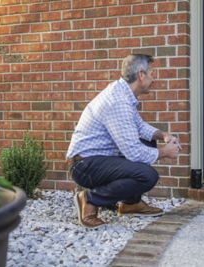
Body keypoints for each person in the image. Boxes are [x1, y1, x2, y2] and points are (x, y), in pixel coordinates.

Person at [67, 54, 180, 228]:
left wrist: (163, 135)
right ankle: (89, 200)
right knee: (148, 176)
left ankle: (130, 204)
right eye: (152, 73)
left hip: (98, 160)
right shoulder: (118, 101)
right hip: (85, 166)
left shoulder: (123, 94)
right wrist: (165, 152)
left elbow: (140, 127)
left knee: (148, 142)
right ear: (141, 75)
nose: (154, 78)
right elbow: (133, 153)